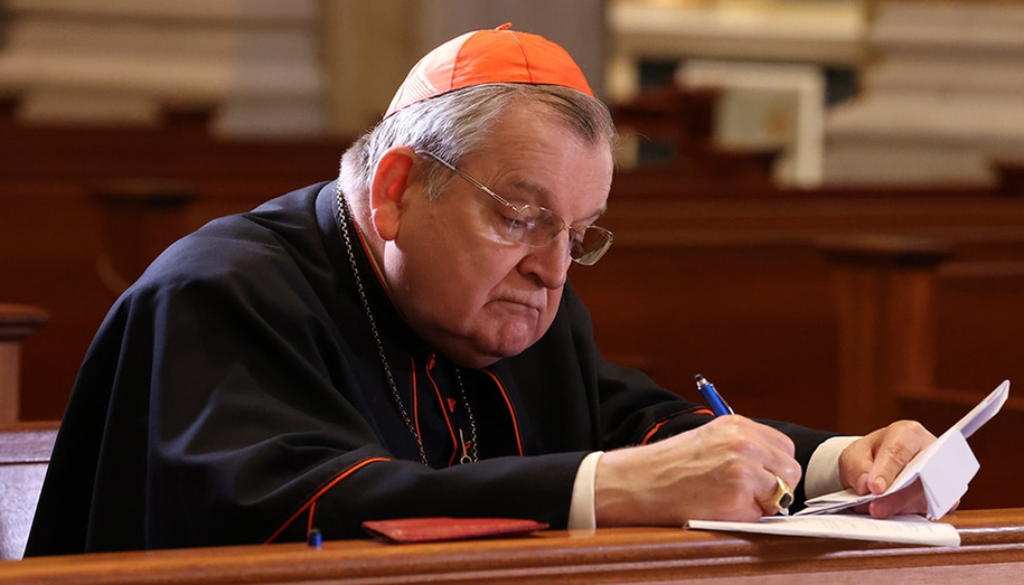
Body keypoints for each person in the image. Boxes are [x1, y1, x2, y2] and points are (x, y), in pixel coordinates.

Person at [26, 24, 938, 556]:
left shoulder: (517, 297)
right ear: (395, 192)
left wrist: (838, 463)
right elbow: (304, 520)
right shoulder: (217, 294)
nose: (552, 268)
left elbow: (628, 421)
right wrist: (606, 491)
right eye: (521, 215)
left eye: (578, 235)